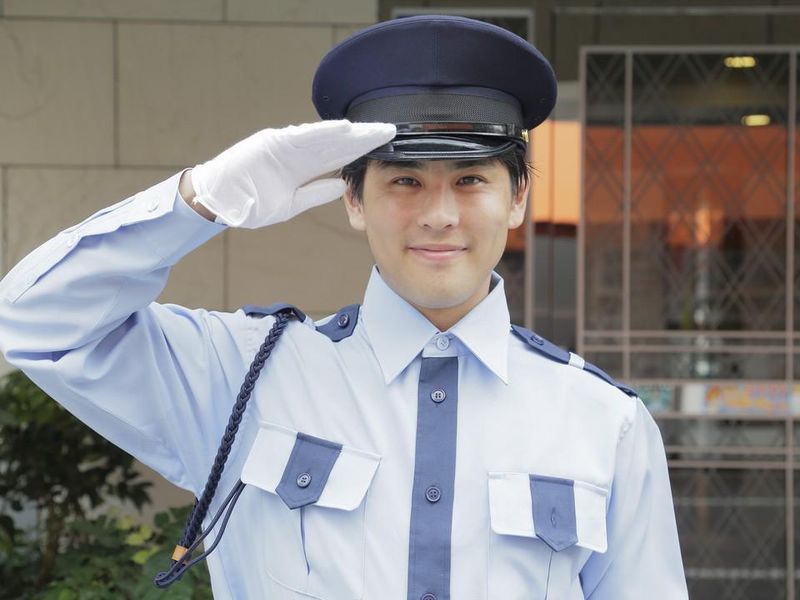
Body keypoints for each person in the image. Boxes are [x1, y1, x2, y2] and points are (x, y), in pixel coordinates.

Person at [0, 15, 687, 600]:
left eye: (471, 179)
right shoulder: (243, 377)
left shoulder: (606, 423)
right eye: (405, 180)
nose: (439, 214)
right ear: (353, 199)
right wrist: (201, 199)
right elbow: (34, 322)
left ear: (518, 198)